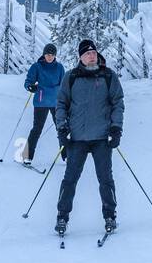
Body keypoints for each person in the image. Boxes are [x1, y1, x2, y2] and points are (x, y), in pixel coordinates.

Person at [53, 39, 124, 237]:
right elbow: (61, 104)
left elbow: (118, 103)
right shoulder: (71, 77)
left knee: (105, 179)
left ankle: (110, 215)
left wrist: (116, 128)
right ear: (80, 57)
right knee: (70, 180)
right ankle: (62, 217)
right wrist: (62, 130)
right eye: (87, 53)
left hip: (102, 138)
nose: (91, 55)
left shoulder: (108, 76)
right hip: (77, 139)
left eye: (93, 52)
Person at [21, 44, 65, 167]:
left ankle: (66, 155)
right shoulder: (37, 67)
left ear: (55, 56)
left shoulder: (60, 68)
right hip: (41, 102)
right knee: (37, 129)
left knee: (62, 129)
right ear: (44, 54)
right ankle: (27, 157)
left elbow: (64, 85)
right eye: (47, 54)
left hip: (56, 103)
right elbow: (28, 81)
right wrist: (30, 87)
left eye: (52, 55)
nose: (49, 57)